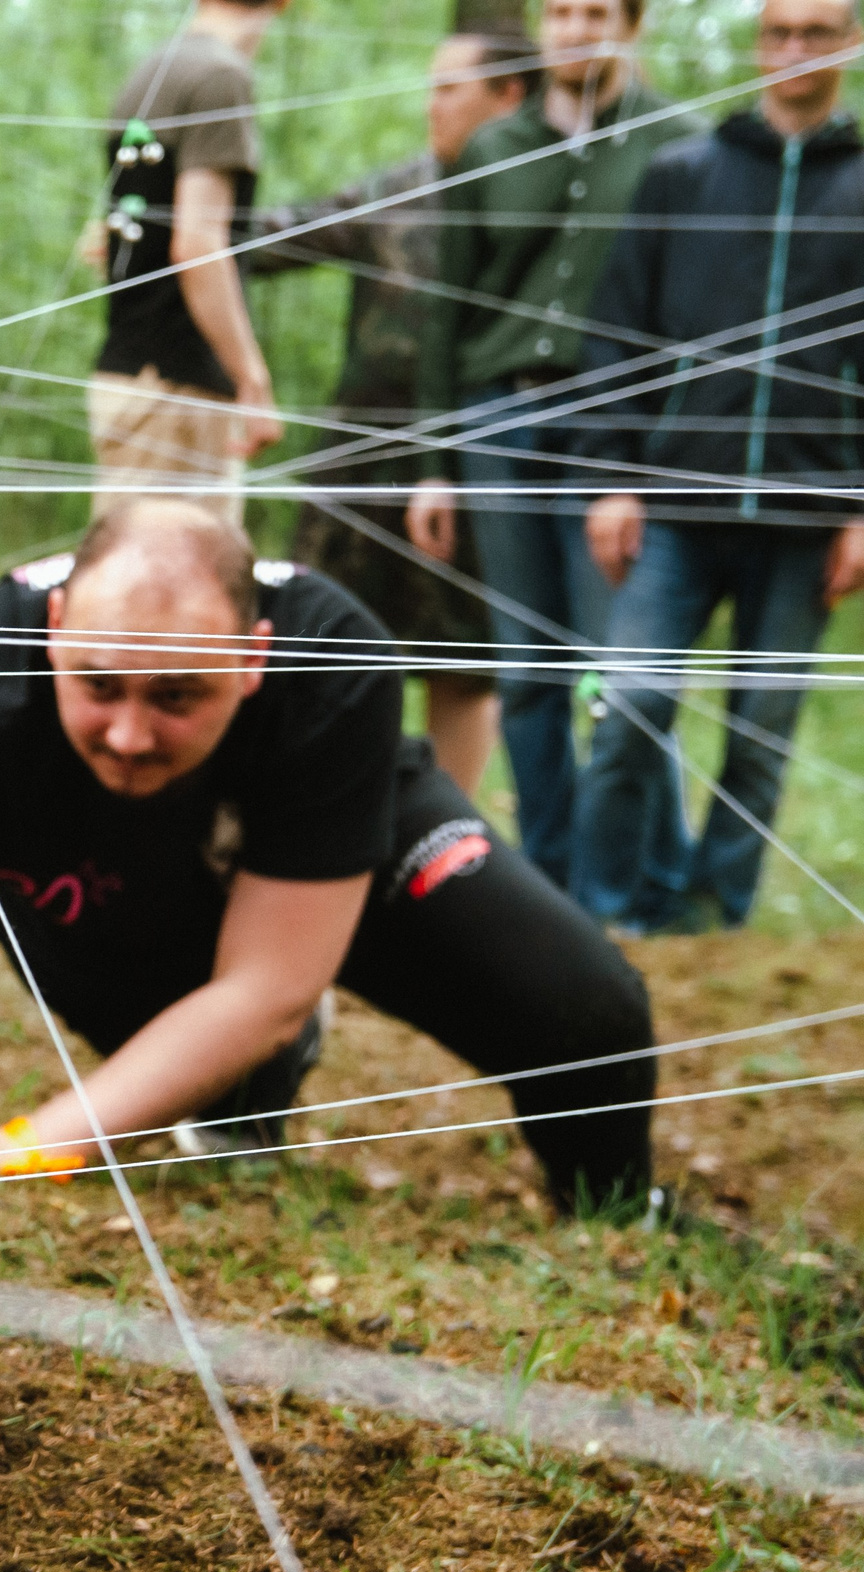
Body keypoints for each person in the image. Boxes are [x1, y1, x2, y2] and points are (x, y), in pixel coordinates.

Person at [0, 502, 658, 1224]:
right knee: (228, 1073)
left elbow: (267, 990)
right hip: (103, 878)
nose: (131, 736)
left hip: (337, 837)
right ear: (56, 629)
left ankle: (615, 1216)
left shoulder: (333, 660)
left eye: (177, 695)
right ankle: (240, 1093)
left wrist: (23, 1153)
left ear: (253, 657)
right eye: (99, 687)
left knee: (585, 1011)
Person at [569, 0, 864, 934]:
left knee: (762, 737)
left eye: (816, 33)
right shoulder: (682, 176)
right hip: (675, 505)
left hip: (809, 514)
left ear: (850, 44)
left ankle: (715, 914)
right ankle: (607, 913)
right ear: (757, 43)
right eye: (778, 32)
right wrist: (612, 475)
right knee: (631, 706)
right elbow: (621, 338)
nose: (793, 51)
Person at [408, 0, 702, 891]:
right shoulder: (492, 149)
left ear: (632, 24)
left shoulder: (677, 146)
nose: (578, 28)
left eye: (597, 11)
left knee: (619, 670)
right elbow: (444, 312)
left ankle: (647, 871)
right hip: (496, 417)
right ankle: (553, 877)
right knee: (530, 670)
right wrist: (434, 464)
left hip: (616, 431)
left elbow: (688, 311)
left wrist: (659, 459)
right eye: (562, 11)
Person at [245, 33, 536, 796]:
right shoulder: (400, 188)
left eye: (449, 89)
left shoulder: (535, 200)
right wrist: (171, 232)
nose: (429, 104)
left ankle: (452, 830)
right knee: (320, 636)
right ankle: (316, 809)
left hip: (467, 460)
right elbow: (283, 233)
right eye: (431, 87)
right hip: (358, 458)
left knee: (462, 659)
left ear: (508, 96)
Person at [89, 0, 291, 524]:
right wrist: (252, 379)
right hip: (177, 392)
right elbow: (197, 244)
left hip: (128, 380)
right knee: (180, 589)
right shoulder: (220, 77)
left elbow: (104, 238)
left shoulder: (149, 74)